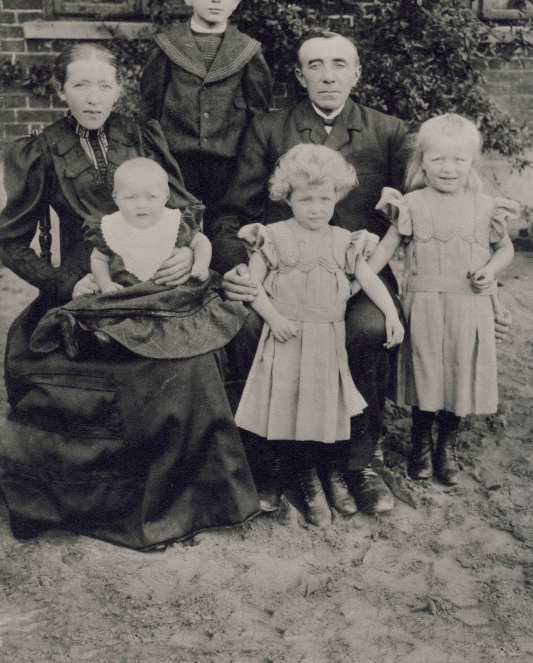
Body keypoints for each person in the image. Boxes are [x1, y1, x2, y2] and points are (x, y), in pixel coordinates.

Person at [0, 43, 259, 550]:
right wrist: (63, 284)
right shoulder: (42, 149)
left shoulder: (142, 136)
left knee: (212, 347)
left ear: (118, 90)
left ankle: (201, 495)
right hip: (92, 290)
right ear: (62, 91)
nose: (93, 97)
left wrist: (185, 254)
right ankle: (137, 504)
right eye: (80, 85)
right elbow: (9, 240)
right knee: (142, 371)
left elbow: (186, 209)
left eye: (104, 85)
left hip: (162, 279)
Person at [211, 29, 411, 516]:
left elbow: (415, 211)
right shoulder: (268, 128)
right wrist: (239, 268)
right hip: (283, 276)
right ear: (300, 76)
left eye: (339, 64)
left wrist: (388, 232)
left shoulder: (388, 131)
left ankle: (356, 462)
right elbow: (231, 214)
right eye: (315, 65)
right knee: (250, 325)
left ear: (356, 73)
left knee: (368, 327)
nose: (328, 75)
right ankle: (273, 459)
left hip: (357, 275)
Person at [235, 145, 404, 527]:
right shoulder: (274, 237)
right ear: (287, 198)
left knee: (325, 406)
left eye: (324, 199)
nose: (315, 208)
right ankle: (302, 477)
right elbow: (252, 287)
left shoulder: (344, 240)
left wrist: (392, 314)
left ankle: (331, 474)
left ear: (337, 196)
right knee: (289, 406)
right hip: (287, 338)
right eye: (305, 199)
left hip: (327, 340)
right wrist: (274, 318)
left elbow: (369, 280)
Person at [367, 114, 519, 486]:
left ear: (472, 162)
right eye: (437, 159)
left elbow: (505, 249)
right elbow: (383, 252)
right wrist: (355, 280)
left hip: (470, 305)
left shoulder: (485, 206)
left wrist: (491, 269)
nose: (448, 168)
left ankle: (446, 446)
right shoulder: (411, 205)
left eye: (458, 160)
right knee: (426, 371)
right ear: (422, 161)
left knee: (459, 371)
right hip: (424, 307)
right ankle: (420, 443)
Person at [30, 157, 247, 362]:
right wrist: (105, 283)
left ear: (166, 196)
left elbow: (201, 242)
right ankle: (94, 339)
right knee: (109, 313)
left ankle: (112, 342)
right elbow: (98, 258)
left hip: (167, 295)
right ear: (116, 198)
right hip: (127, 296)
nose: (141, 205)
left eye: (151, 197)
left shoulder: (174, 223)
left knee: (179, 317)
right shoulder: (111, 227)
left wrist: (200, 264)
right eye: (131, 198)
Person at [139, 0, 272, 232]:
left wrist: (248, 174)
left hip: (230, 170)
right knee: (179, 237)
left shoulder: (248, 51)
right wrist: (158, 165)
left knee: (225, 236)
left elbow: (259, 121)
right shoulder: (166, 47)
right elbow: (149, 115)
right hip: (176, 168)